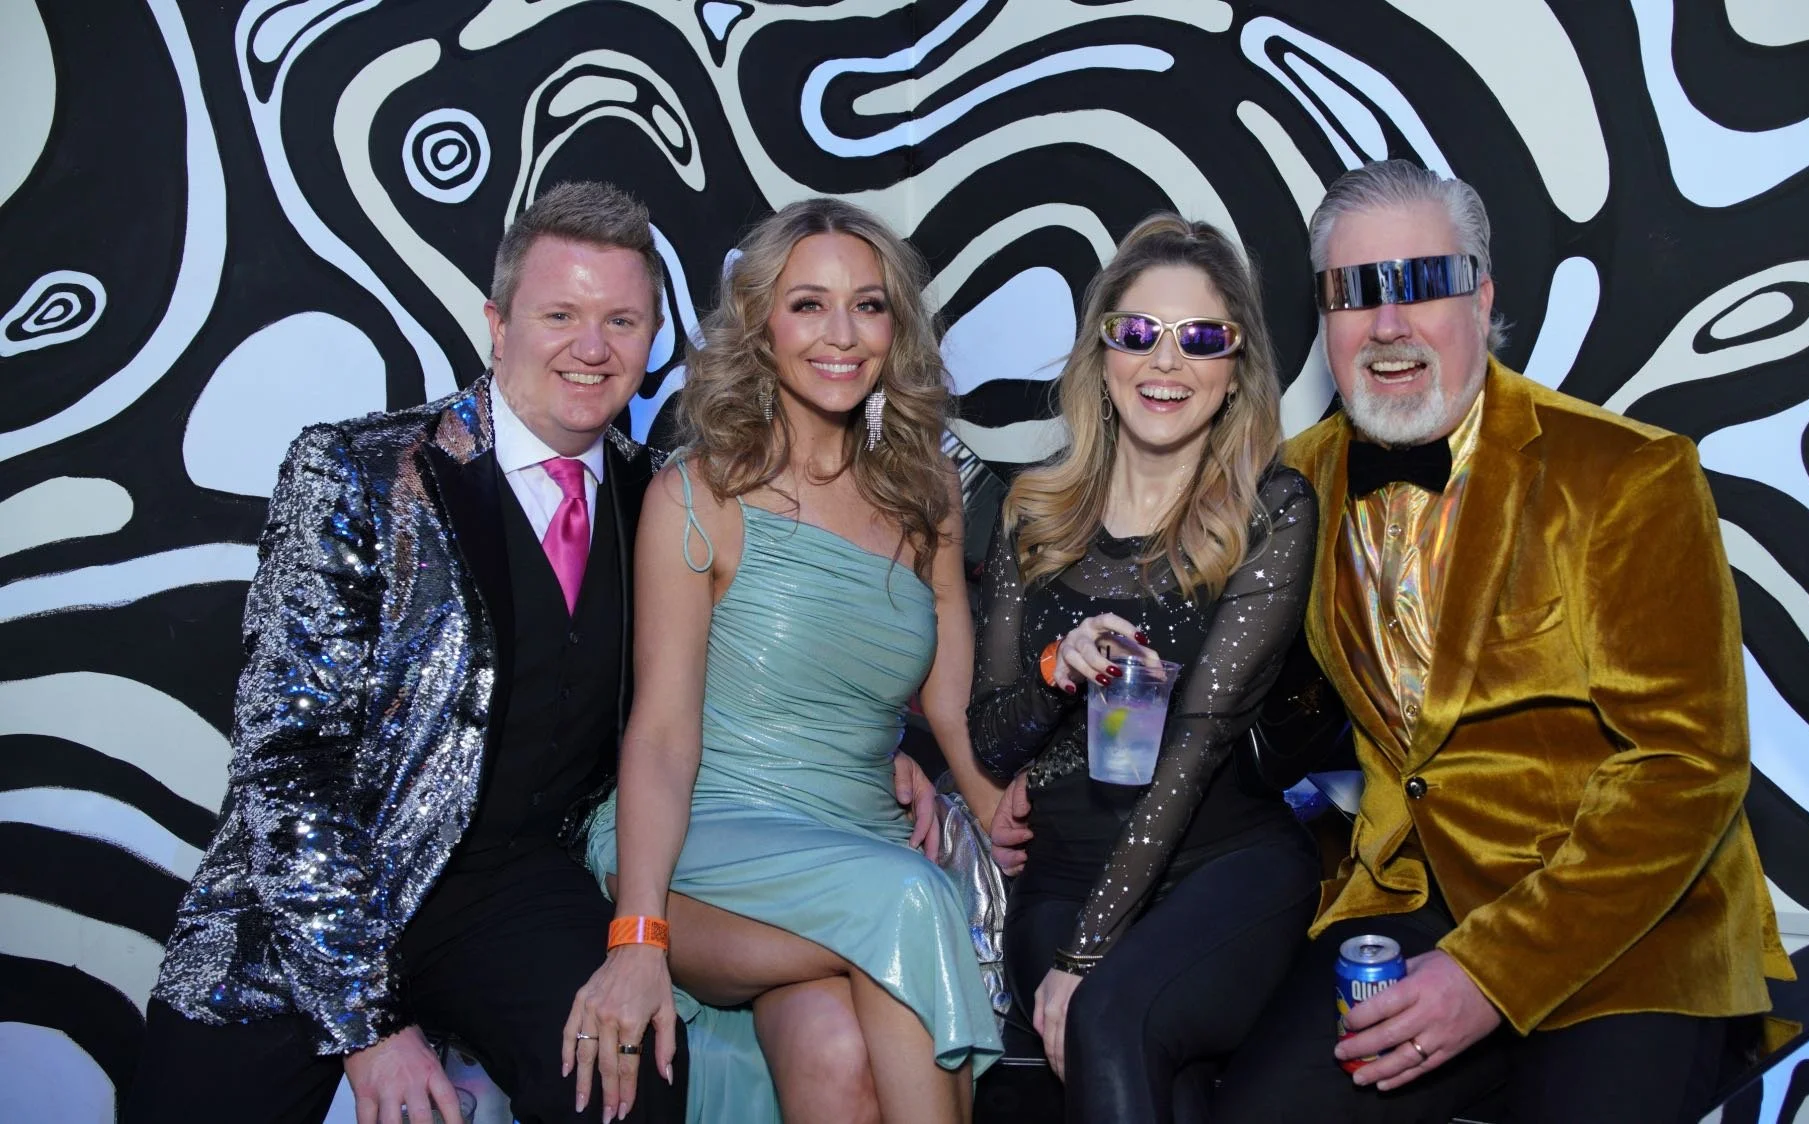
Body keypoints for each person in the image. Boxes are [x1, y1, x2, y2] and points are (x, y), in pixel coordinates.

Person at [1212, 159, 1795, 1123]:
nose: (1388, 324)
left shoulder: (1631, 475)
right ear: (1323, 318)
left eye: (1422, 283)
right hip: (1407, 904)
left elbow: (1686, 766)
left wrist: (1490, 972)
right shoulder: (1297, 480)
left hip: (1626, 927)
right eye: (1355, 293)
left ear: (1481, 295)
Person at [132, 182, 687, 1123]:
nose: (592, 349)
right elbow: (285, 762)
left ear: (650, 338)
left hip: (509, 887)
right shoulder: (354, 469)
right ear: (497, 323)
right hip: (318, 891)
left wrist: (901, 758)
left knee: (630, 1084)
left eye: (621, 320)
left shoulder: (662, 502)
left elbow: (721, 684)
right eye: (560, 314)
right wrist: (366, 1024)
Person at [567, 197, 1006, 1124]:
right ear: (762, 325)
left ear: (898, 327)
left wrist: (984, 794)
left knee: (835, 1046)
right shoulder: (700, 494)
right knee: (915, 903)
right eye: (808, 304)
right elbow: (659, 735)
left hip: (860, 844)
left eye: (870, 305)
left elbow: (950, 702)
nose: (841, 334)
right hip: (704, 853)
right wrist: (639, 934)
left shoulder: (927, 493)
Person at [967, 214, 1323, 1121]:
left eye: (1201, 338)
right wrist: (1057, 667)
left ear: (1235, 365)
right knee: (1173, 1083)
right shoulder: (1032, 511)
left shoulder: (1270, 511)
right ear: (1102, 352)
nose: (1166, 363)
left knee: (1111, 1015)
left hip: (1223, 865)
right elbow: (992, 738)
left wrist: (1086, 961)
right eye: (1139, 333)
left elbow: (1196, 750)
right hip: (1065, 870)